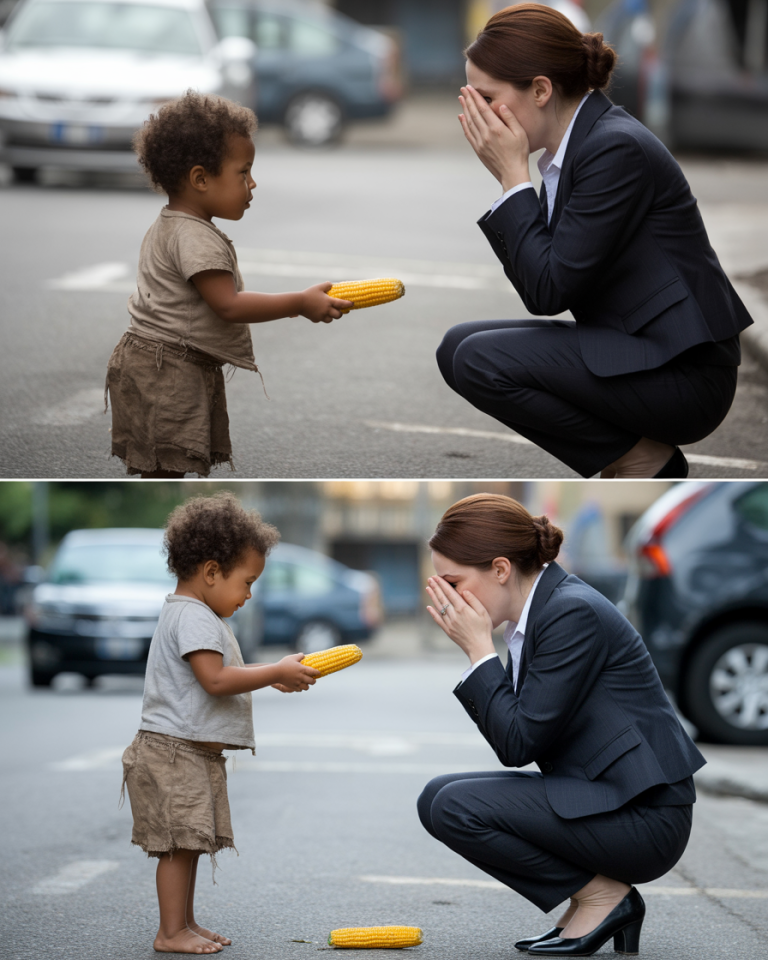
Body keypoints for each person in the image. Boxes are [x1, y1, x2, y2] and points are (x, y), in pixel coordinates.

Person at [437, 4, 752, 478]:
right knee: (456, 346)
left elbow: (548, 290)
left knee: (480, 360)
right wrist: (517, 180)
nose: (477, 114)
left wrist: (512, 179)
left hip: (683, 374)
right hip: (635, 348)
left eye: (485, 97)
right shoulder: (576, 148)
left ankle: (638, 458)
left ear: (540, 89)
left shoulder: (613, 147)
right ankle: (632, 451)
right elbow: (541, 284)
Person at [418, 493, 705, 956]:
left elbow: (517, 743)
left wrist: (477, 652)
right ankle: (591, 897)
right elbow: (521, 734)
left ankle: (602, 897)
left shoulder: (570, 612)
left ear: (500, 568)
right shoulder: (538, 614)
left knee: (455, 806)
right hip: (606, 800)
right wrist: (485, 650)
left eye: (453, 582)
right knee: (436, 797)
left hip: (645, 818)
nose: (447, 598)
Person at [105, 91, 352, 479]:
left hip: (152, 360)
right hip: (167, 369)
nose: (253, 183)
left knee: (158, 466)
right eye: (243, 172)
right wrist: (300, 303)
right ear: (200, 178)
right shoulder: (195, 238)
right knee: (166, 469)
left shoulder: (171, 223)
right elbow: (229, 305)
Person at [120, 492, 321, 955]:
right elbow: (214, 679)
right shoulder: (193, 617)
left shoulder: (194, 612)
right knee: (177, 846)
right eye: (247, 582)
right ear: (211, 572)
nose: (250, 594)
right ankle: (170, 932)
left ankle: (184, 922)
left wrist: (273, 678)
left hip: (187, 750)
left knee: (188, 842)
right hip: (174, 752)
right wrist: (275, 673)